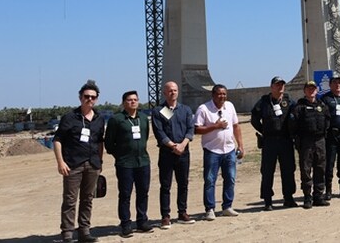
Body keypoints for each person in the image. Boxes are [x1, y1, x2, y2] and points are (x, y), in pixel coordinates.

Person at [54, 80, 105, 243]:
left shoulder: (99, 119)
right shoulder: (69, 117)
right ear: (80, 97)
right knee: (70, 200)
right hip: (73, 165)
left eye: (93, 97)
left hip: (93, 164)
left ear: (96, 99)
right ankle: (68, 234)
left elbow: (99, 142)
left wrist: (100, 161)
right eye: (86, 96)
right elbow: (57, 140)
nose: (89, 99)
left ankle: (84, 231)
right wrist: (60, 162)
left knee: (88, 199)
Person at [104, 91, 153, 238]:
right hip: (125, 163)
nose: (133, 102)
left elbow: (145, 136)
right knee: (125, 194)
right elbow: (109, 143)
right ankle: (125, 224)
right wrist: (120, 155)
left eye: (135, 99)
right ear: (124, 102)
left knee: (143, 192)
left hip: (143, 161)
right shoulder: (117, 120)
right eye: (129, 100)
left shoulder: (143, 118)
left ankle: (142, 221)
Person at [194, 84, 244, 219]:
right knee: (210, 180)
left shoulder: (230, 106)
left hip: (229, 150)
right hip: (212, 150)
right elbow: (196, 129)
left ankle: (227, 206)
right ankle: (210, 209)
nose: (222, 96)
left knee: (230, 178)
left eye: (224, 94)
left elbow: (236, 126)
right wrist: (215, 126)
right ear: (213, 95)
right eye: (219, 94)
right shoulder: (203, 109)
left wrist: (240, 145)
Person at [151, 81, 196, 229]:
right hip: (167, 153)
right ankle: (165, 216)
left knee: (183, 184)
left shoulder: (186, 110)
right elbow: (159, 132)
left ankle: (182, 212)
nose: (173, 93)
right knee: (166, 185)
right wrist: (172, 145)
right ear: (164, 93)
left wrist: (182, 145)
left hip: (183, 152)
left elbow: (190, 129)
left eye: (175, 90)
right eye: (170, 91)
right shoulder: (159, 111)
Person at [251, 76, 297, 211]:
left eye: (282, 85)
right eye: (277, 85)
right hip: (269, 141)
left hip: (286, 140)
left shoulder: (289, 101)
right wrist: (263, 131)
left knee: (288, 170)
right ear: (271, 87)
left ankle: (288, 198)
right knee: (267, 171)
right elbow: (254, 119)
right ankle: (267, 200)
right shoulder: (264, 102)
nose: (280, 87)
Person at [290, 81, 331, 208]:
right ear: (305, 91)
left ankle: (318, 196)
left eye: (313, 88)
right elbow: (292, 125)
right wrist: (298, 140)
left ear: (317, 90)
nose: (311, 90)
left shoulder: (322, 105)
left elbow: (328, 121)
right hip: (306, 142)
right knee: (306, 170)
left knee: (320, 168)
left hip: (320, 141)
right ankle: (307, 197)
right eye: (308, 88)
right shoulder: (299, 107)